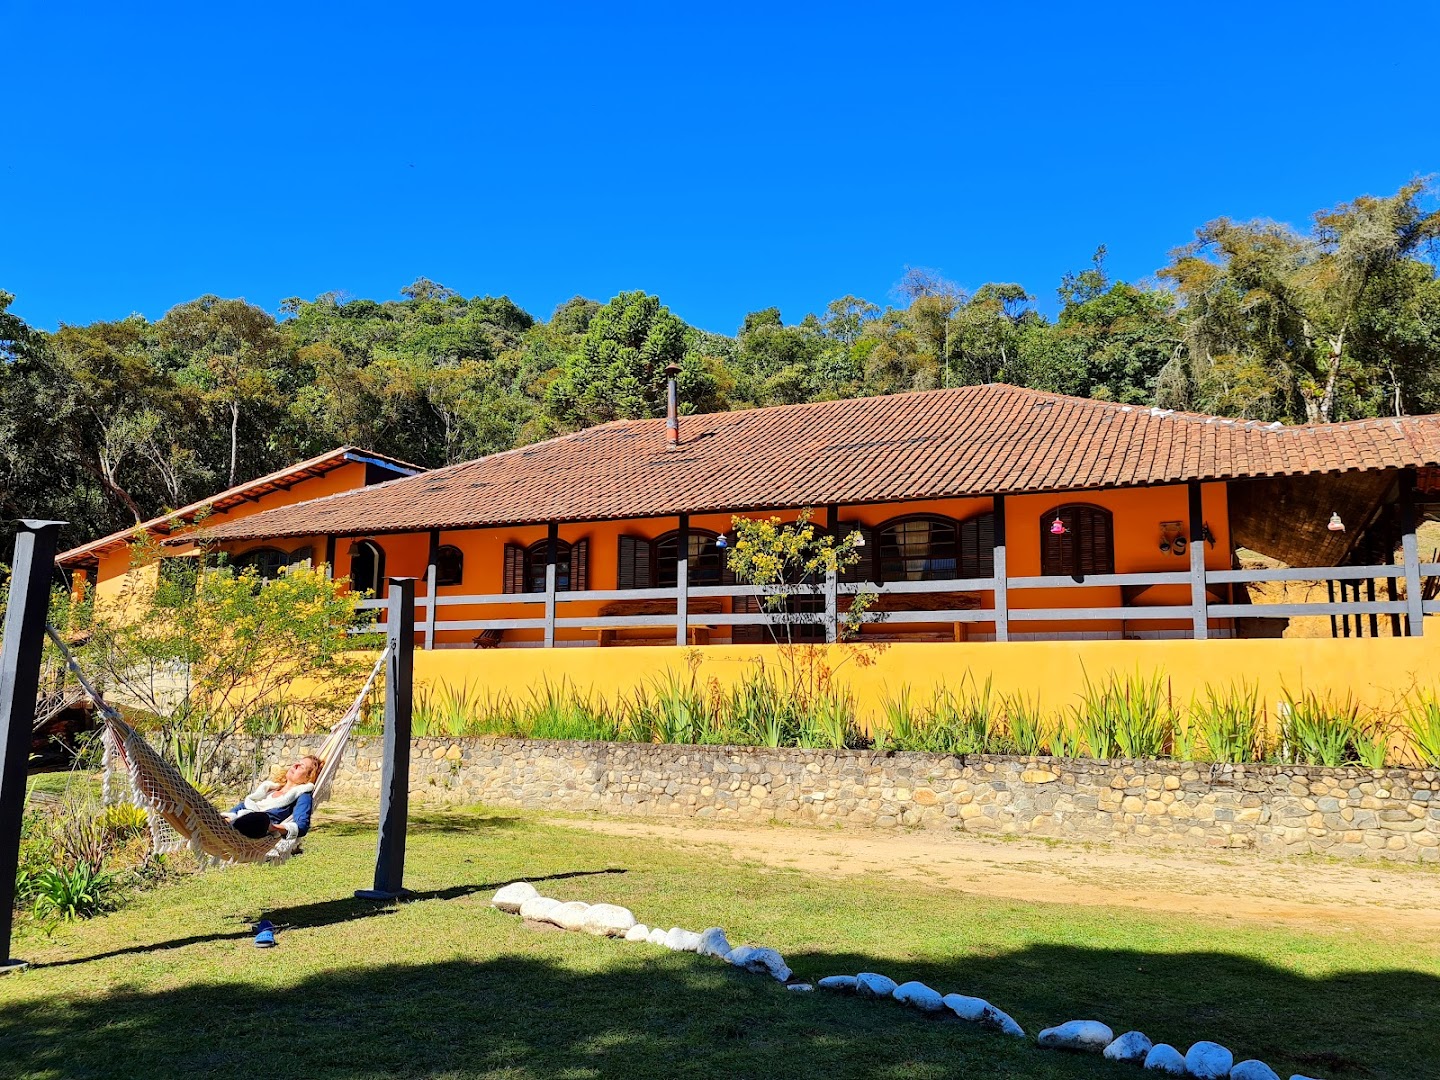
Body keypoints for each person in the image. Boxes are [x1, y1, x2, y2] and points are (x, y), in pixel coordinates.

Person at [224, 756, 322, 841]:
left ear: (308, 777)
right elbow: (245, 805)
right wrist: (228, 817)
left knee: (260, 818)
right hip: (236, 821)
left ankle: (231, 825)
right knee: (211, 814)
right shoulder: (271, 789)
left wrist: (272, 828)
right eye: (297, 762)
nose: (295, 765)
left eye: (301, 766)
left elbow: (301, 826)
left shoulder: (302, 796)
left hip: (256, 829)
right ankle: (224, 824)